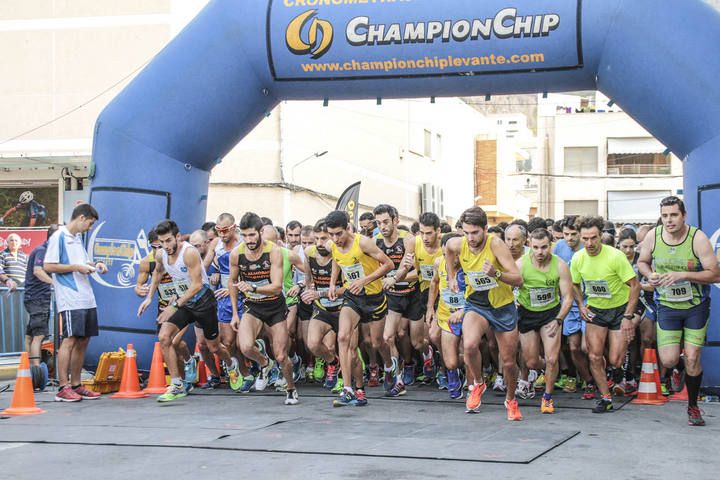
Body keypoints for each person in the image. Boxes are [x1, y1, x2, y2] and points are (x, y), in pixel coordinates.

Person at [637, 196, 720, 426]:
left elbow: (715, 274)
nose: (669, 220)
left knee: (694, 357)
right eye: (665, 216)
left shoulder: (698, 239)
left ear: (683, 215)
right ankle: (678, 368)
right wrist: (649, 274)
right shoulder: (654, 236)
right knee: (670, 359)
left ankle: (693, 407)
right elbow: (642, 262)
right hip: (667, 307)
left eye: (674, 215)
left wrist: (683, 275)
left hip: (695, 306)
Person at [138, 220, 241, 402]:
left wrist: (174, 305)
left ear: (177, 237)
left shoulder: (189, 253)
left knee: (213, 346)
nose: (166, 246)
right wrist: (148, 297)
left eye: (169, 240)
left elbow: (196, 285)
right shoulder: (161, 254)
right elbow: (157, 273)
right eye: (162, 242)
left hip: (203, 301)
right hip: (184, 303)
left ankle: (231, 364)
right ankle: (177, 384)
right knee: (164, 337)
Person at [445, 207, 524, 420]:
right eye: (466, 232)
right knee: (469, 345)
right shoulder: (458, 243)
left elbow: (518, 279)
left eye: (475, 233)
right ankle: (478, 383)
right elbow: (448, 249)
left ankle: (511, 399)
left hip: (502, 306)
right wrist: (451, 277)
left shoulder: (496, 245)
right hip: (476, 304)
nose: (470, 238)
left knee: (508, 361)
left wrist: (496, 273)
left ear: (485, 229)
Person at [571, 216, 640, 414]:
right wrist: (581, 305)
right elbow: (574, 284)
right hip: (596, 310)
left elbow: (634, 287)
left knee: (615, 360)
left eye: (593, 238)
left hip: (619, 310)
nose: (589, 243)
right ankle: (605, 397)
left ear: (601, 236)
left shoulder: (615, 256)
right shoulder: (578, 258)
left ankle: (616, 371)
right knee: (593, 356)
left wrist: (628, 316)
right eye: (585, 239)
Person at [325, 210, 394, 407]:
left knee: (377, 342)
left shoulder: (362, 242)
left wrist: (365, 280)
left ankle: (389, 366)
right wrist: (332, 283)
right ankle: (348, 389)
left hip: (374, 297)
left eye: (339, 233)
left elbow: (388, 264)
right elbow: (337, 262)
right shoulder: (333, 245)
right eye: (331, 234)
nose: (335, 238)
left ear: (348, 228)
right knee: (343, 337)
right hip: (353, 297)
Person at [229, 213, 299, 405]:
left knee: (281, 355)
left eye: (252, 235)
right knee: (244, 346)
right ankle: (264, 364)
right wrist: (235, 313)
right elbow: (232, 282)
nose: (249, 240)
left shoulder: (274, 251)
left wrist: (253, 287)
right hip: (253, 305)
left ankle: (291, 389)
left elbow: (277, 286)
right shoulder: (237, 254)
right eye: (244, 236)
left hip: (275, 306)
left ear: (260, 232)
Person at [44, 204, 107, 402]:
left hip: (86, 295)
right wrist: (76, 268)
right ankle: (63, 386)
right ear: (81, 217)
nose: (90, 227)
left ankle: (77, 385)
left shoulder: (77, 238)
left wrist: (95, 265)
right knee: (70, 339)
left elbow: (83, 263)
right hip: (70, 296)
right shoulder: (59, 236)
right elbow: (49, 265)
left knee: (83, 339)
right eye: (90, 223)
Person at [515, 228, 574, 414]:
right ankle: (548, 371)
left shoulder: (560, 265)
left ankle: (547, 398)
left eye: (544, 247)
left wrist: (558, 320)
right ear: (529, 245)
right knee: (532, 362)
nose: (540, 252)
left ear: (551, 245)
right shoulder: (521, 264)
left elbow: (568, 297)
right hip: (527, 314)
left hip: (551, 314)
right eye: (535, 248)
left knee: (552, 358)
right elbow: (508, 290)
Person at [134, 229, 200, 386]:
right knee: (170, 344)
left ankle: (188, 363)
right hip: (165, 308)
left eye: (162, 245)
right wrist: (139, 291)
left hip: (184, 305)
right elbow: (139, 285)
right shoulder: (147, 262)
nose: (160, 250)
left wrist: (179, 296)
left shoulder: (180, 257)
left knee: (175, 341)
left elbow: (195, 281)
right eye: (155, 246)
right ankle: (184, 380)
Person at [374, 204, 422, 395]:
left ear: (396, 221)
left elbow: (409, 269)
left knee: (418, 342)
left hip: (412, 294)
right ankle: (398, 378)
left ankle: (425, 357)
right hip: (392, 297)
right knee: (388, 337)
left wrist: (394, 277)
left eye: (386, 222)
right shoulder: (375, 241)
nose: (382, 226)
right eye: (378, 223)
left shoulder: (408, 239)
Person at [553, 215, 593, 397]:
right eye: (566, 234)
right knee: (574, 347)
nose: (569, 238)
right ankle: (587, 380)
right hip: (568, 302)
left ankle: (601, 375)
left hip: (589, 302)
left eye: (573, 234)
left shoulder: (589, 247)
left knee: (588, 347)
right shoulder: (558, 248)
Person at [301, 220, 344, 389]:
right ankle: (333, 363)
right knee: (312, 344)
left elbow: (348, 288)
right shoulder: (309, 253)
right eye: (316, 238)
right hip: (322, 307)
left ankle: (346, 378)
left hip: (342, 307)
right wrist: (308, 291)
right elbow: (308, 279)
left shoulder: (340, 254)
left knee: (339, 345)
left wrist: (320, 293)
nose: (319, 243)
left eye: (324, 239)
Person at [23, 225, 59, 368]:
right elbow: (38, 271)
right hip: (38, 298)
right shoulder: (42, 251)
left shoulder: (45, 251)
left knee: (29, 336)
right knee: (39, 335)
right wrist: (54, 283)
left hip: (35, 297)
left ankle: (29, 369)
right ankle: (36, 370)